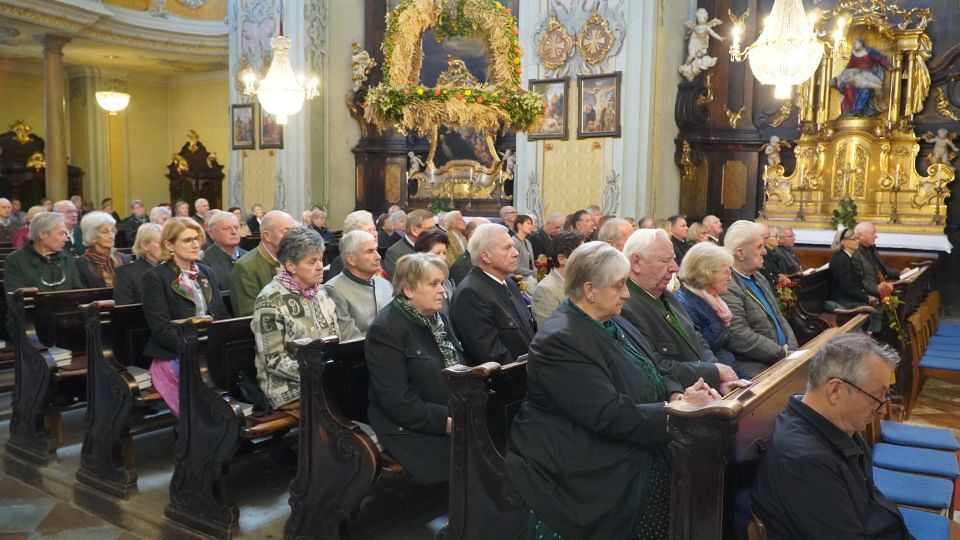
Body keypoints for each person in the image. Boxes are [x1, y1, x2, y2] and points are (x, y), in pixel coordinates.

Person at [506, 241, 721, 539]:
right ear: (590, 290)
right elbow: (607, 414)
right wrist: (678, 413)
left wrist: (677, 395)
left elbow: (655, 366)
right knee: (685, 467)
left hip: (629, 429)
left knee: (708, 459)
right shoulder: (560, 339)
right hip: (582, 456)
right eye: (619, 285)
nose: (627, 294)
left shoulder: (614, 320)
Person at [753, 334, 909, 538]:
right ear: (836, 390)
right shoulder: (805, 461)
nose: (882, 411)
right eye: (876, 398)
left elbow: (869, 500)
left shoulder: (832, 424)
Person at [366, 253, 463, 484]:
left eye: (442, 283)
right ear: (408, 290)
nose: (442, 291)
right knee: (471, 460)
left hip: (451, 411)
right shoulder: (386, 329)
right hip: (411, 424)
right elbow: (396, 400)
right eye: (433, 284)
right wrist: (447, 422)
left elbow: (459, 367)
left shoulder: (438, 319)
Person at [620, 229, 746, 390]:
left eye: (673, 259)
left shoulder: (667, 296)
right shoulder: (624, 307)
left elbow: (697, 340)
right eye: (665, 261)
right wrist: (713, 372)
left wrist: (719, 376)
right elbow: (653, 366)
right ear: (636, 262)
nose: (675, 268)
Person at [141, 218, 229, 416]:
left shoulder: (207, 272)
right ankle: (197, 427)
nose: (195, 244)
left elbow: (221, 315)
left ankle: (223, 426)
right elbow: (161, 329)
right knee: (206, 382)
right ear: (169, 245)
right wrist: (197, 350)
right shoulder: (155, 277)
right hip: (175, 353)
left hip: (207, 349)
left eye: (197, 239)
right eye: (187, 240)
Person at [253, 227, 340, 409]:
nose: (320, 266)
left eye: (320, 259)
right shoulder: (270, 300)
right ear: (291, 266)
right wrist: (320, 374)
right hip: (286, 386)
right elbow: (273, 361)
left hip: (322, 377)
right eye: (312, 262)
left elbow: (335, 339)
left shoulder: (320, 292)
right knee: (340, 399)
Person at [450, 223, 536, 365]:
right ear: (485, 256)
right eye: (507, 248)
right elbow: (491, 356)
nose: (516, 253)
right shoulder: (470, 294)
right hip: (510, 376)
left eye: (514, 246)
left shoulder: (509, 283)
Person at [720, 221, 798, 376]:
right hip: (755, 366)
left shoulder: (758, 277)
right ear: (740, 253)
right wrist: (781, 354)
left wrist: (793, 349)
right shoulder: (727, 284)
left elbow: (779, 317)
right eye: (759, 247)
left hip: (782, 358)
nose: (764, 252)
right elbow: (739, 335)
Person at [676, 242, 741, 375]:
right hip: (716, 377)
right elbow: (703, 354)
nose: (730, 278)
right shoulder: (686, 305)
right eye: (726, 271)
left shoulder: (713, 301)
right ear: (706, 273)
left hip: (729, 369)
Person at [325, 230, 393, 341]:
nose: (378, 256)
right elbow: (351, 339)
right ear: (351, 259)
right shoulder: (334, 289)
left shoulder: (385, 284)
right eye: (369, 252)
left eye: (376, 250)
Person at [231, 210, 296, 316]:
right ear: (267, 236)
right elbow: (248, 314)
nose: (294, 237)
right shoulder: (245, 267)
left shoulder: (296, 259)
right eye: (286, 232)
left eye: (294, 231)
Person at [5, 212, 83, 294]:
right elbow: (16, 297)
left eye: (66, 234)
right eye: (61, 234)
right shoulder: (15, 260)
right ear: (43, 234)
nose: (66, 239)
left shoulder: (67, 257)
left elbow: (78, 292)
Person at [829, 228, 881, 333]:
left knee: (881, 304)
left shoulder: (848, 257)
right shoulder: (840, 259)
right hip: (843, 300)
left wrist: (867, 295)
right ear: (843, 242)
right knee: (877, 311)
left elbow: (856, 283)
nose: (857, 241)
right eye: (854, 239)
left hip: (850, 297)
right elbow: (846, 287)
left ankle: (874, 335)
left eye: (857, 238)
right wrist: (866, 298)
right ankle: (872, 335)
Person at [531, 230, 584, 326]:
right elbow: (549, 331)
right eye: (582, 256)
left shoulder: (583, 282)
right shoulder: (545, 290)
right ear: (562, 259)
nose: (588, 260)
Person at [834, 37, 892, 117]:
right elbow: (850, 65)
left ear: (861, 43)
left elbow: (880, 58)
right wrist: (843, 75)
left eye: (855, 43)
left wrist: (889, 66)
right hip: (855, 75)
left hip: (866, 75)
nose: (854, 45)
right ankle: (850, 110)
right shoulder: (854, 54)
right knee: (847, 87)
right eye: (853, 43)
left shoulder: (869, 51)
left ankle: (857, 110)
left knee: (865, 89)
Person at [76, 211, 130, 288]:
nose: (111, 236)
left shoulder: (125, 258)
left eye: (112, 230)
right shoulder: (82, 264)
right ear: (92, 235)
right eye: (105, 232)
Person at [114, 224, 163, 305]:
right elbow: (125, 308)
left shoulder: (172, 269)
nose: (165, 247)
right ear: (144, 245)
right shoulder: (126, 273)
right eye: (160, 243)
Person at [324, 210, 378, 281]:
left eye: (374, 229)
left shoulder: (377, 256)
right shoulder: (341, 262)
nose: (374, 234)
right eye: (369, 230)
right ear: (354, 236)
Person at [202, 210, 247, 293]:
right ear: (212, 234)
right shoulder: (204, 261)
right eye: (226, 229)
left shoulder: (248, 256)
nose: (234, 232)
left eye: (236, 227)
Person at [412, 228, 455, 312]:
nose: (442, 257)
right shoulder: (418, 282)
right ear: (422, 255)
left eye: (444, 253)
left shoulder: (446, 280)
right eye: (437, 253)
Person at [384, 209, 434, 277]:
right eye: (430, 228)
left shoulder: (434, 246)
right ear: (414, 230)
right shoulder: (395, 253)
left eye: (434, 227)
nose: (435, 232)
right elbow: (396, 281)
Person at [854, 222, 898, 299]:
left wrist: (902, 273)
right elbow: (859, 280)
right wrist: (877, 288)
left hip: (885, 286)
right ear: (860, 236)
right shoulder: (855, 253)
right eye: (872, 233)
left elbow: (884, 270)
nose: (876, 236)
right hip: (871, 293)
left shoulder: (871, 248)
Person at [449, 217, 489, 286]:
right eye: (487, 233)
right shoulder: (462, 267)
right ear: (471, 237)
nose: (493, 237)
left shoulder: (487, 258)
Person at [512, 214, 537, 289]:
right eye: (528, 223)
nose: (531, 226)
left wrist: (536, 272)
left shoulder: (528, 242)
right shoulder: (513, 242)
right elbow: (515, 267)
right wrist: (533, 273)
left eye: (531, 224)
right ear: (519, 225)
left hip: (531, 278)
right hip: (521, 281)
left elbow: (532, 263)